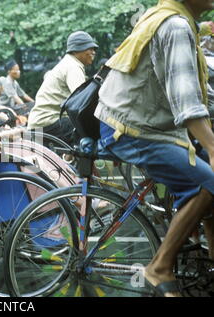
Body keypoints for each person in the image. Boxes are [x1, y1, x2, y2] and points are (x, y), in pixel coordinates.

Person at [94, 0, 214, 297]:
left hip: (141, 123)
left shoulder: (176, 18)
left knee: (207, 179)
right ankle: (159, 267)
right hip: (133, 130)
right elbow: (187, 104)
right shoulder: (176, 25)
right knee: (210, 182)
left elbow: (202, 93)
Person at [27, 31, 98, 145]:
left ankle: (70, 159)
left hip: (40, 123)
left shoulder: (68, 63)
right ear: (77, 50)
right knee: (94, 131)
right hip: (48, 123)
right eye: (90, 49)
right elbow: (83, 101)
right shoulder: (73, 66)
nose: (93, 52)